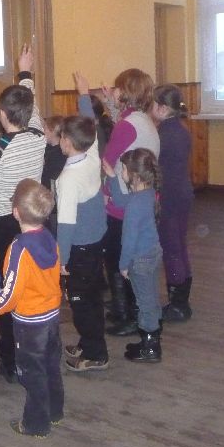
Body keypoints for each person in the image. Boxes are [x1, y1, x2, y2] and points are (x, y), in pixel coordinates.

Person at [0, 44, 46, 383]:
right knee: (30, 288)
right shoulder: (39, 135)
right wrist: (25, 72)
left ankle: (12, 358)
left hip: (6, 227)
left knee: (7, 292)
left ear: (2, 115)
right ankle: (35, 347)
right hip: (35, 221)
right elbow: (31, 106)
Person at [0, 178, 63, 437]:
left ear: (16, 212)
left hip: (30, 323)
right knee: (51, 365)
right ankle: (55, 411)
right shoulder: (50, 238)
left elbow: (11, 293)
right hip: (52, 317)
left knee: (32, 373)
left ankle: (35, 424)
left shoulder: (18, 248)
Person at [99, 68, 159, 337]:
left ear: (125, 91)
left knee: (116, 259)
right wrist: (111, 105)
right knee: (127, 258)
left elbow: (108, 161)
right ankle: (128, 309)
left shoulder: (128, 125)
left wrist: (103, 189)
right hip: (140, 197)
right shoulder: (142, 120)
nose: (113, 90)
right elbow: (122, 128)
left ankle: (126, 314)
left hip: (122, 201)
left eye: (117, 87)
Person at [56, 74, 108, 371]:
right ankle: (90, 342)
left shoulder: (68, 179)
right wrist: (83, 94)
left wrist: (62, 259)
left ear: (67, 142)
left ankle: (96, 353)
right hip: (96, 240)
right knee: (92, 296)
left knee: (81, 303)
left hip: (80, 248)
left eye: (62, 136)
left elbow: (65, 223)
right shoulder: (91, 153)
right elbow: (90, 122)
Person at [102, 148, 164, 362]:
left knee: (144, 302)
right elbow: (120, 201)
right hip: (152, 253)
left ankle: (150, 348)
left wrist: (123, 265)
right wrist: (112, 177)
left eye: (123, 170)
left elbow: (128, 239)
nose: (122, 173)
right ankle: (153, 338)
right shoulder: (147, 193)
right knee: (151, 298)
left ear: (135, 175)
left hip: (140, 259)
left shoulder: (137, 204)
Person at [152, 84, 195, 322]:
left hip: (170, 196)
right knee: (178, 245)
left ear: (163, 108)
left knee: (171, 249)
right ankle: (181, 300)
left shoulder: (165, 134)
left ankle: (178, 304)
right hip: (180, 193)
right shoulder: (179, 128)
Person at [40, 115, 66, 236]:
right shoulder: (50, 148)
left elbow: (51, 182)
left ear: (52, 131)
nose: (43, 131)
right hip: (50, 199)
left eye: (45, 128)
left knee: (54, 231)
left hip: (54, 205)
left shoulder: (57, 155)